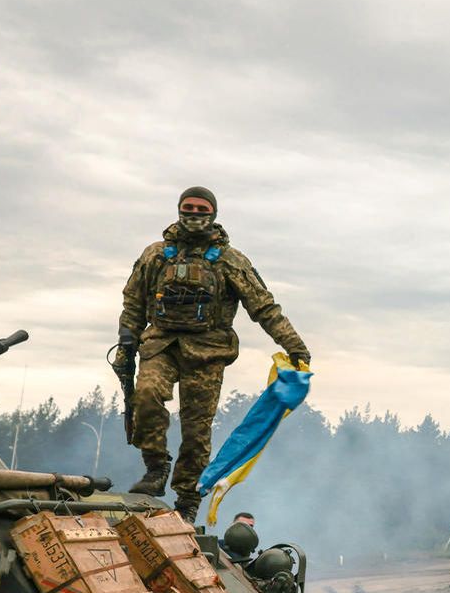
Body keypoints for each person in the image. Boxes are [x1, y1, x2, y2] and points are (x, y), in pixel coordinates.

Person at [120, 186, 310, 520]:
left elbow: (263, 307)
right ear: (179, 210)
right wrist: (126, 342)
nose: (194, 214)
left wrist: (293, 345)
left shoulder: (229, 260)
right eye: (187, 208)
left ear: (213, 214)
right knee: (146, 396)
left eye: (201, 209)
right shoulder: (155, 255)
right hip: (160, 344)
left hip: (208, 352)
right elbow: (134, 302)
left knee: (196, 430)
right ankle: (156, 467)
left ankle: (188, 498)